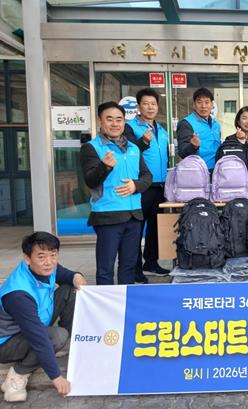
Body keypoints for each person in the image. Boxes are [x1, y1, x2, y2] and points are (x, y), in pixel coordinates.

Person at [0, 232, 87, 402]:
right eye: (41, 256)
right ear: (27, 258)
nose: (48, 262)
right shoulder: (18, 295)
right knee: (57, 336)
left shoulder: (47, 268)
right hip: (6, 342)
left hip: (35, 322)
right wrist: (56, 377)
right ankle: (17, 375)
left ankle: (56, 346)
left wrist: (76, 276)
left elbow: (64, 274)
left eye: (53, 255)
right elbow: (38, 337)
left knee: (71, 289)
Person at [80, 101, 152, 285]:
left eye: (119, 119)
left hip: (134, 215)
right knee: (105, 268)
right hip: (107, 215)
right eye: (109, 119)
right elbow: (90, 180)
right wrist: (104, 166)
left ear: (124, 122)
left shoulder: (134, 148)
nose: (114, 124)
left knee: (129, 266)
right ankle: (105, 303)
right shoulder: (92, 147)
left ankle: (125, 301)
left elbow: (147, 176)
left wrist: (135, 186)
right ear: (100, 121)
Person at [124, 88, 169, 283]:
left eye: (153, 104)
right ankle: (134, 269)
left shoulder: (162, 130)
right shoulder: (130, 127)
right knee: (136, 229)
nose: (150, 107)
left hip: (160, 185)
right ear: (139, 106)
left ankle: (151, 262)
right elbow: (127, 152)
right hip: (141, 186)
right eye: (146, 104)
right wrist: (143, 141)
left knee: (155, 228)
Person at [176, 87, 221, 170]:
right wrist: (193, 146)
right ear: (194, 105)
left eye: (207, 102)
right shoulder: (186, 123)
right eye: (199, 102)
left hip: (216, 170)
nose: (203, 106)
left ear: (212, 105)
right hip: (197, 172)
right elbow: (182, 152)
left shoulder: (216, 124)